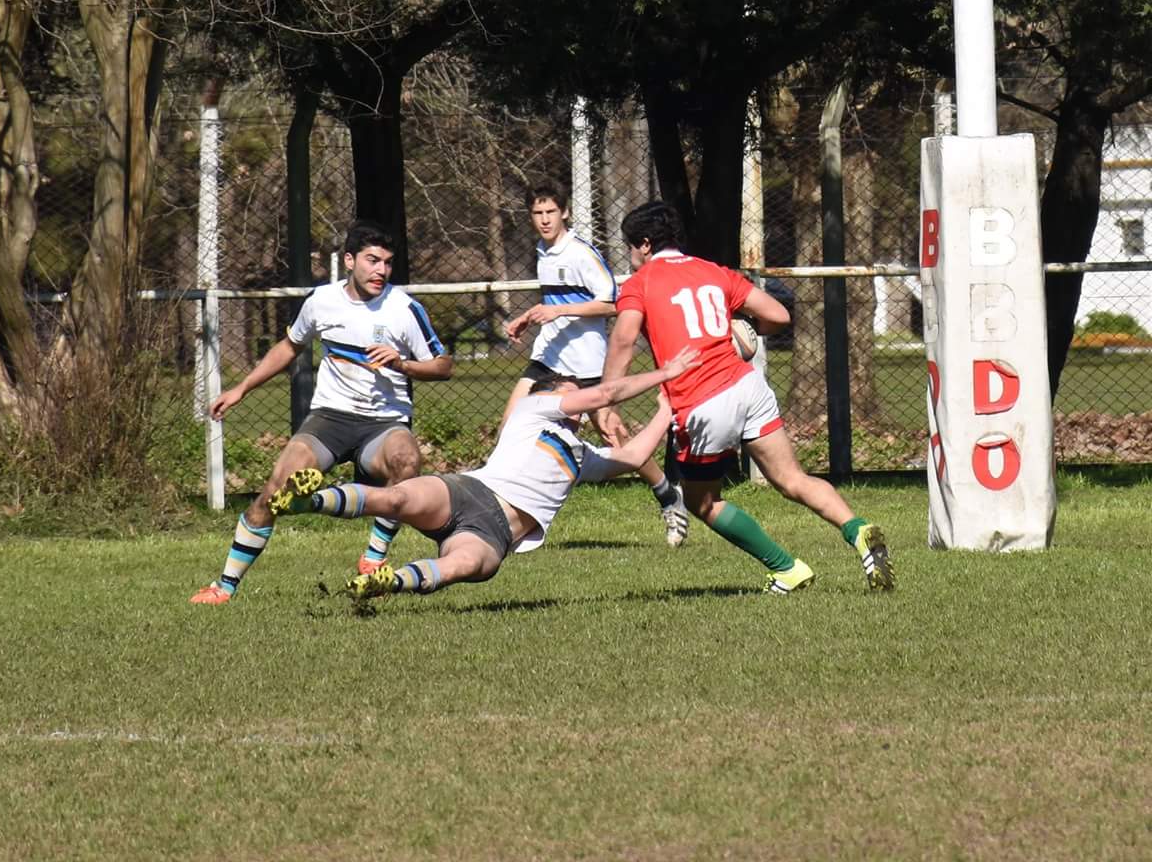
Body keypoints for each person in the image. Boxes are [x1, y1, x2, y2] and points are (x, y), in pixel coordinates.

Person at [597, 201, 894, 594]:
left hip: (702, 401)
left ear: (646, 244)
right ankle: (858, 529)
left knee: (702, 502)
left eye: (630, 247)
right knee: (792, 479)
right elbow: (778, 315)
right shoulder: (712, 271)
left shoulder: (641, 283)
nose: (630, 255)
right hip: (747, 386)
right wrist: (745, 330)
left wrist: (607, 402)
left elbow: (622, 340)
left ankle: (787, 569)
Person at [267, 345, 701, 603]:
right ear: (550, 396)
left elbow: (634, 455)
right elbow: (604, 394)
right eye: (571, 393)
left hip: (495, 534)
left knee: (465, 565)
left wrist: (668, 408)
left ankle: (386, 583)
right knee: (396, 498)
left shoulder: (582, 456)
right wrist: (666, 372)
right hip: (470, 492)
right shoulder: (534, 409)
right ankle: (308, 499)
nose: (579, 401)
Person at [190, 223, 454, 604]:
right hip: (330, 419)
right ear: (349, 261)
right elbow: (289, 347)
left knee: (406, 459)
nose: (381, 270)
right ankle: (224, 586)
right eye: (372, 260)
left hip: (384, 423)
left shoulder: (404, 309)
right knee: (276, 489)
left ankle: (373, 558)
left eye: (387, 263)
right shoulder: (321, 301)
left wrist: (403, 365)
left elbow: (444, 366)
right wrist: (241, 388)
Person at [501, 180, 691, 548]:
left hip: (586, 364)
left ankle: (668, 497)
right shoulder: (542, 251)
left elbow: (613, 303)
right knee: (511, 427)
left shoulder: (580, 253)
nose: (544, 219)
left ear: (565, 212)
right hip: (548, 358)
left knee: (614, 436)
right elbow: (554, 305)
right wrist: (530, 316)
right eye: (537, 213)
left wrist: (560, 311)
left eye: (551, 212)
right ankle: (509, 516)